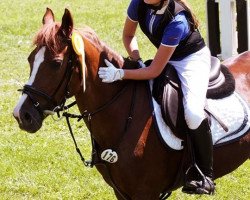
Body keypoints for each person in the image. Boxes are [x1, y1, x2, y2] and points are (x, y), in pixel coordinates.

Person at [98, 0, 215, 195]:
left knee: (193, 114)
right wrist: (136, 60)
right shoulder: (138, 3)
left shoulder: (178, 20)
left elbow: (153, 71)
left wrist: (121, 74)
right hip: (167, 58)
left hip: (191, 61)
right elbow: (128, 36)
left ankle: (206, 175)